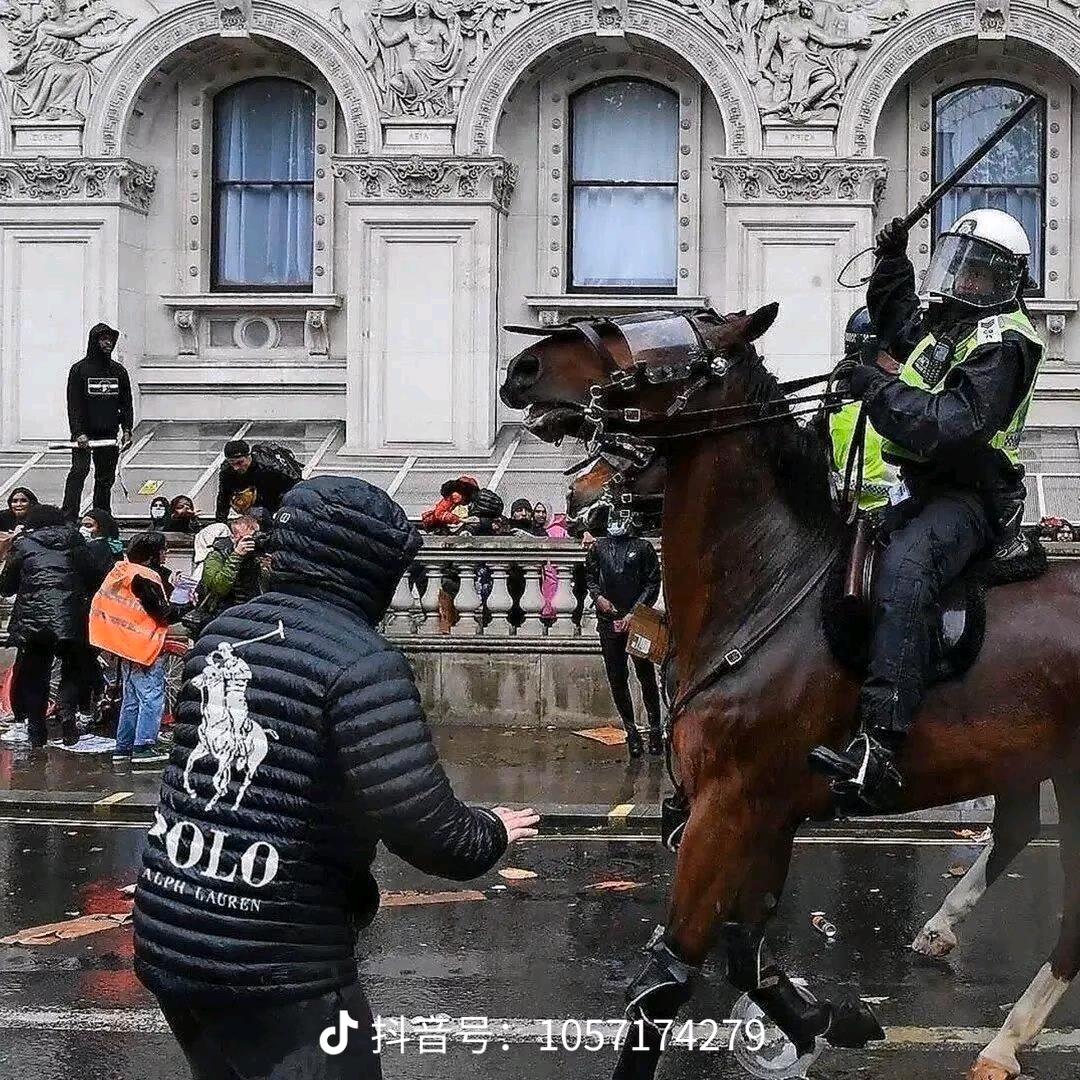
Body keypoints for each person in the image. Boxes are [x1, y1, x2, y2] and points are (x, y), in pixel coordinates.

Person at [133, 476, 539, 1078]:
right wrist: (491, 832)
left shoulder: (225, 630)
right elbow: (428, 829)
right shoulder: (362, 664)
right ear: (370, 567)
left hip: (170, 932)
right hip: (281, 964)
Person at [810, 208, 1046, 813]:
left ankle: (881, 745)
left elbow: (955, 423)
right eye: (958, 266)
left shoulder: (1004, 343)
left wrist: (875, 388)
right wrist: (893, 258)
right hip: (922, 490)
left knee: (904, 573)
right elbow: (897, 318)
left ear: (1008, 281)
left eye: (979, 273)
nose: (964, 282)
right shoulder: (951, 329)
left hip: (970, 496)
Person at [0, 504, 87, 747]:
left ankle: (36, 731)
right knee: (72, 667)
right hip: (69, 616)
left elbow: (6, 586)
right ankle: (68, 716)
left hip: (33, 620)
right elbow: (93, 576)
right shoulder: (76, 543)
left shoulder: (24, 545)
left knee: (35, 675)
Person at [585, 511, 664, 759]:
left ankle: (654, 729)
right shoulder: (599, 548)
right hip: (609, 620)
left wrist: (635, 613)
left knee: (645, 674)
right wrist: (598, 598)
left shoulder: (643, 548)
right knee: (617, 676)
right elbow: (590, 577)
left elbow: (652, 582)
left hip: (638, 621)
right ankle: (631, 731)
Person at [90, 532, 172, 767]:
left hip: (125, 645)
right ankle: (145, 746)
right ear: (152, 555)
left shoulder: (121, 572)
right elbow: (162, 612)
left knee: (132, 699)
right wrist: (187, 604)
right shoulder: (145, 576)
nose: (165, 555)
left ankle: (124, 746)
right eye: (162, 550)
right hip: (145, 646)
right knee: (151, 697)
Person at [827, 308, 902, 514]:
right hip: (878, 516)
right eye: (893, 352)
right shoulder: (853, 411)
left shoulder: (834, 403)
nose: (900, 361)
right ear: (868, 353)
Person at [62, 323, 132, 519]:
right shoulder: (79, 370)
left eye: (110, 339)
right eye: (103, 339)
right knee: (79, 471)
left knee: (105, 478)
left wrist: (127, 429)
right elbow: (73, 404)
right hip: (84, 433)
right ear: (94, 341)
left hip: (108, 433)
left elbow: (127, 403)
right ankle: (69, 517)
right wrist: (78, 433)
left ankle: (101, 516)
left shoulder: (118, 371)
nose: (108, 343)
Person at [213, 440, 299, 523]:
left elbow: (294, 487)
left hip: (279, 499)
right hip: (255, 504)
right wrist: (220, 524)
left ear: (249, 456)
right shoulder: (227, 471)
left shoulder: (269, 467)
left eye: (240, 463)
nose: (236, 468)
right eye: (232, 463)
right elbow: (223, 498)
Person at [198, 514, 264, 617]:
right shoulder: (217, 556)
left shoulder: (257, 557)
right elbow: (218, 588)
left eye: (253, 538)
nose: (250, 543)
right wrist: (236, 556)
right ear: (233, 537)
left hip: (253, 610)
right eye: (245, 539)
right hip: (223, 612)